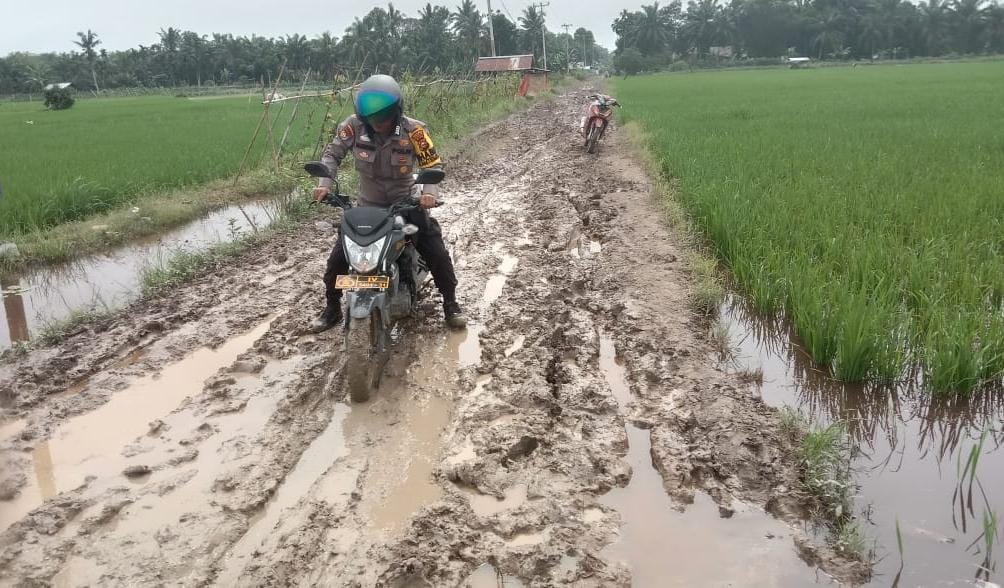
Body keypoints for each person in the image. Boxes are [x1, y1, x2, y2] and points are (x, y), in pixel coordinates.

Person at [309, 74, 467, 333]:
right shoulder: (352, 127)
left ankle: (450, 303)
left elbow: (432, 163)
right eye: (370, 119)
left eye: (381, 118)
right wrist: (324, 185)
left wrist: (429, 193)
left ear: (395, 111)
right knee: (338, 258)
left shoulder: (414, 130)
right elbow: (332, 155)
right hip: (367, 207)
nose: (376, 123)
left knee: (435, 249)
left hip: (405, 204)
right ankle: (332, 307)